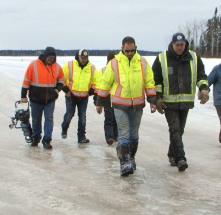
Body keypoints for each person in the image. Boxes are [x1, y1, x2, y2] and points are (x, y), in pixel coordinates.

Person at [96, 37, 157, 176]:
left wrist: (152, 100)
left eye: (132, 50)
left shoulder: (143, 62)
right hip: (119, 105)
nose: (130, 53)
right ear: (122, 48)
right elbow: (105, 83)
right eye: (127, 50)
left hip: (137, 105)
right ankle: (124, 163)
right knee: (124, 134)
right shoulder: (114, 63)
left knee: (134, 135)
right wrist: (99, 102)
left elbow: (149, 82)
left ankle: (131, 158)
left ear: (136, 48)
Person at [152, 32, 209, 171]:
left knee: (179, 130)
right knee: (175, 129)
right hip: (168, 103)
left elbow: (201, 75)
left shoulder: (194, 57)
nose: (179, 47)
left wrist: (204, 89)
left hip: (185, 102)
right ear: (172, 44)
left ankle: (172, 154)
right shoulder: (162, 58)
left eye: (182, 45)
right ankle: (180, 158)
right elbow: (156, 80)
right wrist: (157, 98)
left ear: (185, 44)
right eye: (177, 45)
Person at [21, 47, 66, 149]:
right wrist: (23, 96)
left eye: (53, 58)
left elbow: (62, 80)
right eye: (49, 57)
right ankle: (36, 137)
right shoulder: (34, 65)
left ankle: (47, 140)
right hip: (35, 99)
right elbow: (26, 81)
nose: (51, 59)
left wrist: (57, 90)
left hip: (50, 99)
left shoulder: (57, 67)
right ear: (45, 56)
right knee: (36, 119)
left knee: (49, 119)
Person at [61, 49, 100, 143]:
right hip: (71, 96)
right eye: (82, 58)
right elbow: (62, 79)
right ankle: (64, 127)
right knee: (70, 114)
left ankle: (81, 137)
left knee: (82, 117)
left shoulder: (92, 68)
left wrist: (91, 91)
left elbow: (97, 82)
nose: (83, 60)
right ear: (78, 56)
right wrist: (66, 90)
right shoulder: (69, 65)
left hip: (84, 97)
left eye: (85, 58)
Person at [94, 51, 118, 145]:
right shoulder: (103, 70)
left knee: (116, 118)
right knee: (109, 118)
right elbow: (99, 85)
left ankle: (115, 135)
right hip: (107, 98)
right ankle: (109, 137)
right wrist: (97, 100)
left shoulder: (119, 70)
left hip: (117, 97)